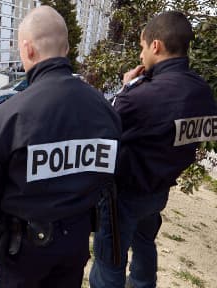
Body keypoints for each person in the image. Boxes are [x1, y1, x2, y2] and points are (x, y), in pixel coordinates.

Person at [0, 6, 121, 287]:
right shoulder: (105, 111)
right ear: (67, 48)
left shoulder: (7, 117)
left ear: (28, 49)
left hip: (24, 250)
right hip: (76, 241)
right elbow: (108, 173)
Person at [89, 11, 217, 288]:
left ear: (155, 46)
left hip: (124, 194)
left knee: (109, 260)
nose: (140, 55)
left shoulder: (142, 97)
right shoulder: (202, 91)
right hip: (159, 191)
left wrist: (126, 89)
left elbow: (105, 124)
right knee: (145, 244)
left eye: (142, 47)